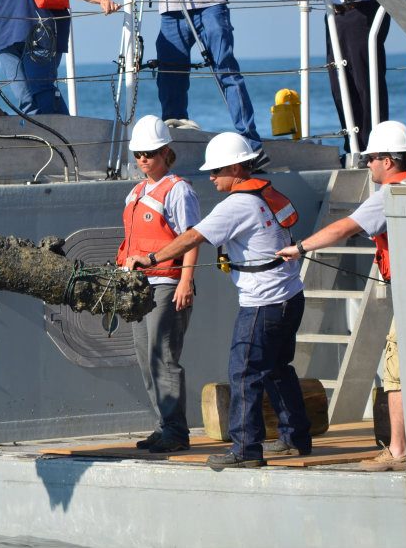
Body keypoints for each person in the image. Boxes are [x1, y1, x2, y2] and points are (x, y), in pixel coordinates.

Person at [126, 132, 311, 468]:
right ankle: (295, 437)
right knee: (277, 368)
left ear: (237, 168)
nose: (211, 178)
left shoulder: (237, 204)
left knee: (244, 373)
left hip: (262, 302)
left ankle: (245, 450)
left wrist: (151, 260)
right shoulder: (266, 195)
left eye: (216, 171)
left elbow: (192, 236)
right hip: (290, 296)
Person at [276, 120, 406, 472]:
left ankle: (398, 450)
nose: (367, 164)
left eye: (371, 159)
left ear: (388, 161)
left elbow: (345, 227)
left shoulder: (387, 196)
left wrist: (301, 247)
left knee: (396, 373)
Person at [120, 0, 267, 167]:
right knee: (170, 74)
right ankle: (174, 133)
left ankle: (250, 143)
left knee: (226, 69)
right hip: (171, 9)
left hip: (211, 3)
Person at [117, 116, 200, 453]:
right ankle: (163, 424)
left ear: (166, 152)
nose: (143, 160)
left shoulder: (178, 190)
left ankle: (176, 433)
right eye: (138, 154)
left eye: (149, 153)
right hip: (139, 285)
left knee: (163, 356)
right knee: (144, 357)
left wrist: (186, 282)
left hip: (166, 282)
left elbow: (192, 238)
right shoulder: (136, 192)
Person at [296, 0, 390, 156]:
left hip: (363, 11)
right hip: (334, 13)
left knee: (365, 82)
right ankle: (353, 144)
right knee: (340, 83)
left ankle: (374, 146)